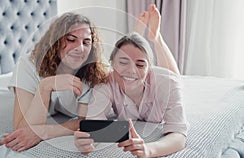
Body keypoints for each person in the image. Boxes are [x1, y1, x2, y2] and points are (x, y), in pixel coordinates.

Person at [74, 5, 188, 158]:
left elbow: (179, 136)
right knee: (132, 50)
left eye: (140, 64)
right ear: (112, 64)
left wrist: (148, 150)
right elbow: (95, 125)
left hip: (165, 80)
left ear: (149, 68)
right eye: (122, 62)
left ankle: (156, 37)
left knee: (175, 78)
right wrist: (88, 142)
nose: (132, 70)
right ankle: (136, 35)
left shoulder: (166, 84)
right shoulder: (104, 83)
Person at [0, 12, 109, 152]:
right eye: (71, 39)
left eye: (86, 42)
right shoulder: (29, 65)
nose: (80, 48)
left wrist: (44, 132)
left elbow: (86, 122)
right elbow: (23, 130)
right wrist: (45, 87)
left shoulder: (95, 70)